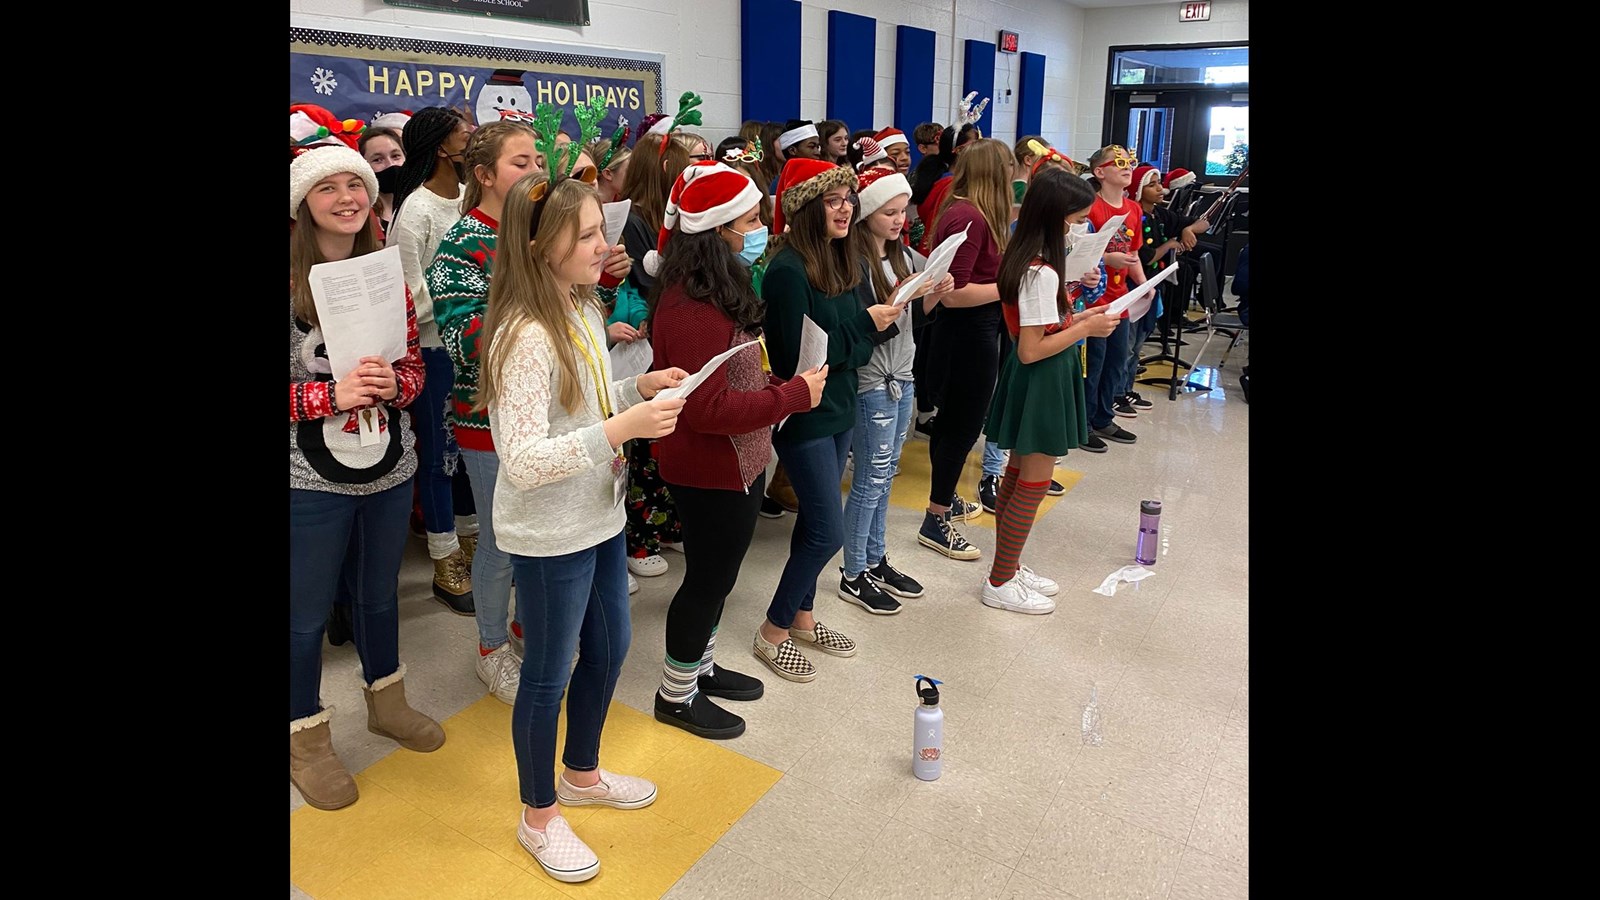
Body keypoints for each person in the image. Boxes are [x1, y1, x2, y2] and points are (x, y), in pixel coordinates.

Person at [476, 170, 688, 884]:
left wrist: (637, 389)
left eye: (604, 228)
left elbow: (588, 405)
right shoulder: (523, 335)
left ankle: (582, 772)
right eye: (590, 233)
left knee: (611, 646)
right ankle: (538, 816)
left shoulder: (582, 307)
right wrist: (622, 427)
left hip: (598, 515)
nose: (607, 244)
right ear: (539, 245)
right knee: (547, 675)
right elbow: (525, 459)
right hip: (548, 534)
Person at [289, 146, 444, 811]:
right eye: (330, 186)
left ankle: (387, 699)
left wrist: (395, 384)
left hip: (387, 466)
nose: (348, 196)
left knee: (378, 596)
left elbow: (413, 374)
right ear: (302, 203)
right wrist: (331, 395)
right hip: (309, 481)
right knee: (302, 616)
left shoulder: (387, 278)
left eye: (358, 183)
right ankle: (305, 736)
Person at [647, 160, 824, 737]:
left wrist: (776, 387)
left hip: (737, 462)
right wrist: (794, 394)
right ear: (718, 231)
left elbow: (740, 376)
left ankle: (700, 666)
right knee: (706, 580)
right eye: (750, 219)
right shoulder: (692, 308)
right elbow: (707, 408)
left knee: (716, 576)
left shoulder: (717, 288)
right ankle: (676, 694)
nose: (761, 230)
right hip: (710, 468)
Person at [756, 158, 901, 683]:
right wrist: (865, 325)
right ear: (805, 207)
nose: (846, 210)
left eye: (849, 200)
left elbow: (855, 343)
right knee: (827, 531)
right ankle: (772, 630)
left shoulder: (845, 261)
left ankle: (802, 617)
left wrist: (893, 313)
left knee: (814, 525)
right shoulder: (787, 271)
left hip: (840, 404)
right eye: (834, 200)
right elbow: (800, 361)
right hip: (806, 414)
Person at [426, 120, 543, 703]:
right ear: (485, 175)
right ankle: (491, 648)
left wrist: (595, 278)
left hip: (546, 412)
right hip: (487, 417)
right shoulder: (460, 244)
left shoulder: (543, 229)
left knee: (537, 533)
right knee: (501, 541)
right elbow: (466, 340)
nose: (536, 171)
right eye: (520, 162)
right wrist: (531, 284)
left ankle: (522, 631)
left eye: (538, 160)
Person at [983, 168, 1120, 614]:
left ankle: (1009, 565)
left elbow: (1042, 327)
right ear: (1055, 217)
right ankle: (1001, 580)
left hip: (1039, 377)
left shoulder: (1031, 259)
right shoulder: (1040, 271)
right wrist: (1088, 329)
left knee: (1019, 474)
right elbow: (1031, 348)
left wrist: (1082, 319)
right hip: (1040, 378)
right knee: (1034, 481)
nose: (1079, 228)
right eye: (1076, 219)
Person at [839, 167, 950, 614]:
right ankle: (852, 573)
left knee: (885, 477)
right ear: (867, 214)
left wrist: (932, 295)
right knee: (868, 479)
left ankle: (875, 556)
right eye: (889, 212)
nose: (899, 219)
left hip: (902, 375)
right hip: (873, 380)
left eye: (903, 211)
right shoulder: (857, 263)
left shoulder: (903, 257)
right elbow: (871, 330)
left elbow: (911, 324)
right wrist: (896, 306)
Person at [389, 106, 479, 615]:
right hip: (434, 350)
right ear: (443, 148)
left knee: (468, 453)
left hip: (472, 345)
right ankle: (444, 559)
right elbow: (405, 292)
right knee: (440, 459)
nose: (472, 140)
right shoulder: (416, 210)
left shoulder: (468, 201)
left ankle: (470, 543)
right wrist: (459, 301)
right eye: (464, 135)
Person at [917, 138, 1014, 561]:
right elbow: (952, 293)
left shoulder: (972, 213)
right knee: (961, 426)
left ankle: (945, 496)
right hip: (966, 333)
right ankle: (936, 518)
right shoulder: (969, 216)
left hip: (974, 330)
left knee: (955, 424)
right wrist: (1008, 285)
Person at [617, 130, 706, 578]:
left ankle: (665, 525)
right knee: (645, 450)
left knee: (666, 440)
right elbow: (640, 284)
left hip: (659, 341)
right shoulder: (635, 219)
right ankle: (639, 539)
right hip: (640, 344)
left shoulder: (665, 218)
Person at [1126, 163, 1208, 414]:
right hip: (1134, 288)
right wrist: (1170, 244)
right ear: (1138, 191)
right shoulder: (1133, 216)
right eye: (1152, 185)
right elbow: (1146, 257)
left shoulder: (1160, 214)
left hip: (1153, 288)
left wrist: (1186, 228)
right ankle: (1117, 392)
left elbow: (1202, 223)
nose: (1160, 189)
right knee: (1128, 346)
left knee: (1139, 343)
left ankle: (1127, 389)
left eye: (1159, 183)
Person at [1081, 145, 1146, 451]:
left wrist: (1145, 284)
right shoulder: (1089, 206)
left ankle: (1104, 417)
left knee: (1116, 362)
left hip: (1121, 300)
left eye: (1129, 162)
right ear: (1099, 172)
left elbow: (1133, 254)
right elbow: (1081, 255)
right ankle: (1083, 424)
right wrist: (1109, 261)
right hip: (1094, 302)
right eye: (1118, 162)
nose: (1126, 166)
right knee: (1093, 364)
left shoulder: (1134, 209)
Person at [359, 126, 405, 234]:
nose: (390, 164)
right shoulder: (362, 217)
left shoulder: (421, 203)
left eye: (395, 156)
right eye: (378, 160)